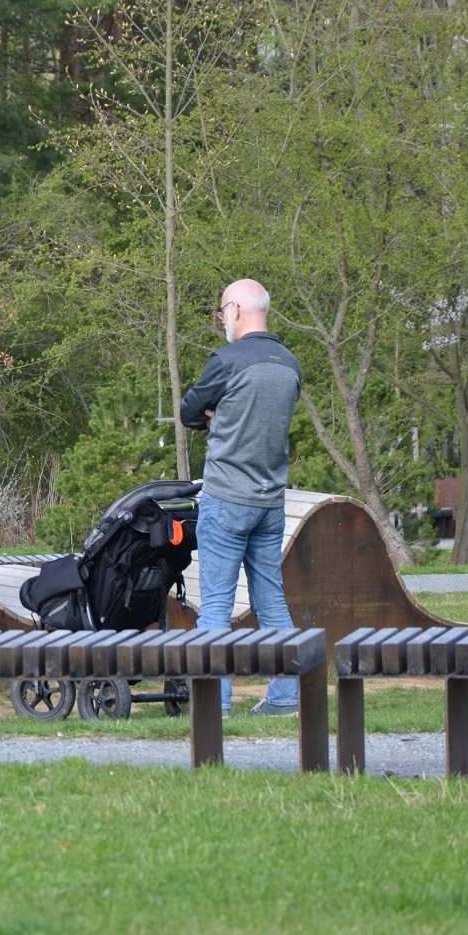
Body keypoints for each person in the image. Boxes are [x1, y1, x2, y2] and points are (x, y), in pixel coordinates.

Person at [180, 278, 304, 716]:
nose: (221, 322)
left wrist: (218, 416)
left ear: (233, 310)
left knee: (214, 603)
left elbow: (188, 410)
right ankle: (287, 698)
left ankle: (216, 704)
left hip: (227, 498)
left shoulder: (227, 360)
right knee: (272, 600)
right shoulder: (290, 363)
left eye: (221, 313)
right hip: (270, 502)